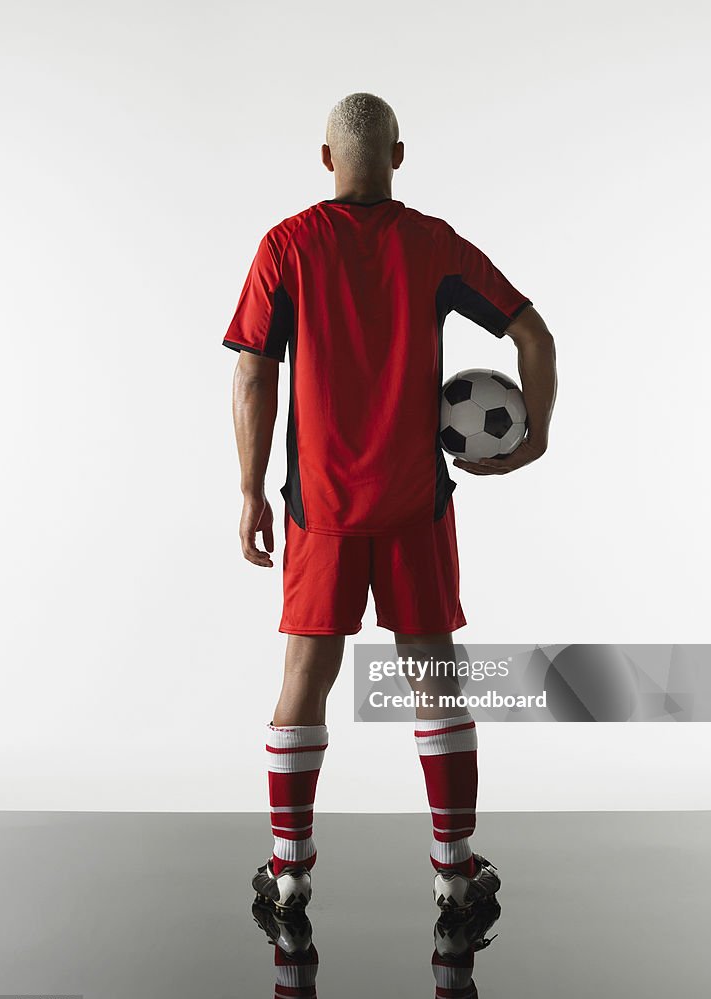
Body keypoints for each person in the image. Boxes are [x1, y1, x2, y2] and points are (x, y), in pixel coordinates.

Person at [223, 92, 557, 914]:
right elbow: (534, 335)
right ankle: (455, 871)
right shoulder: (432, 244)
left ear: (327, 158)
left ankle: (290, 869)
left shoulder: (286, 246)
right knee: (435, 675)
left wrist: (250, 488)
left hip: (320, 508)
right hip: (415, 504)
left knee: (306, 675)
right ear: (399, 157)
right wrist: (534, 437)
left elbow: (253, 371)